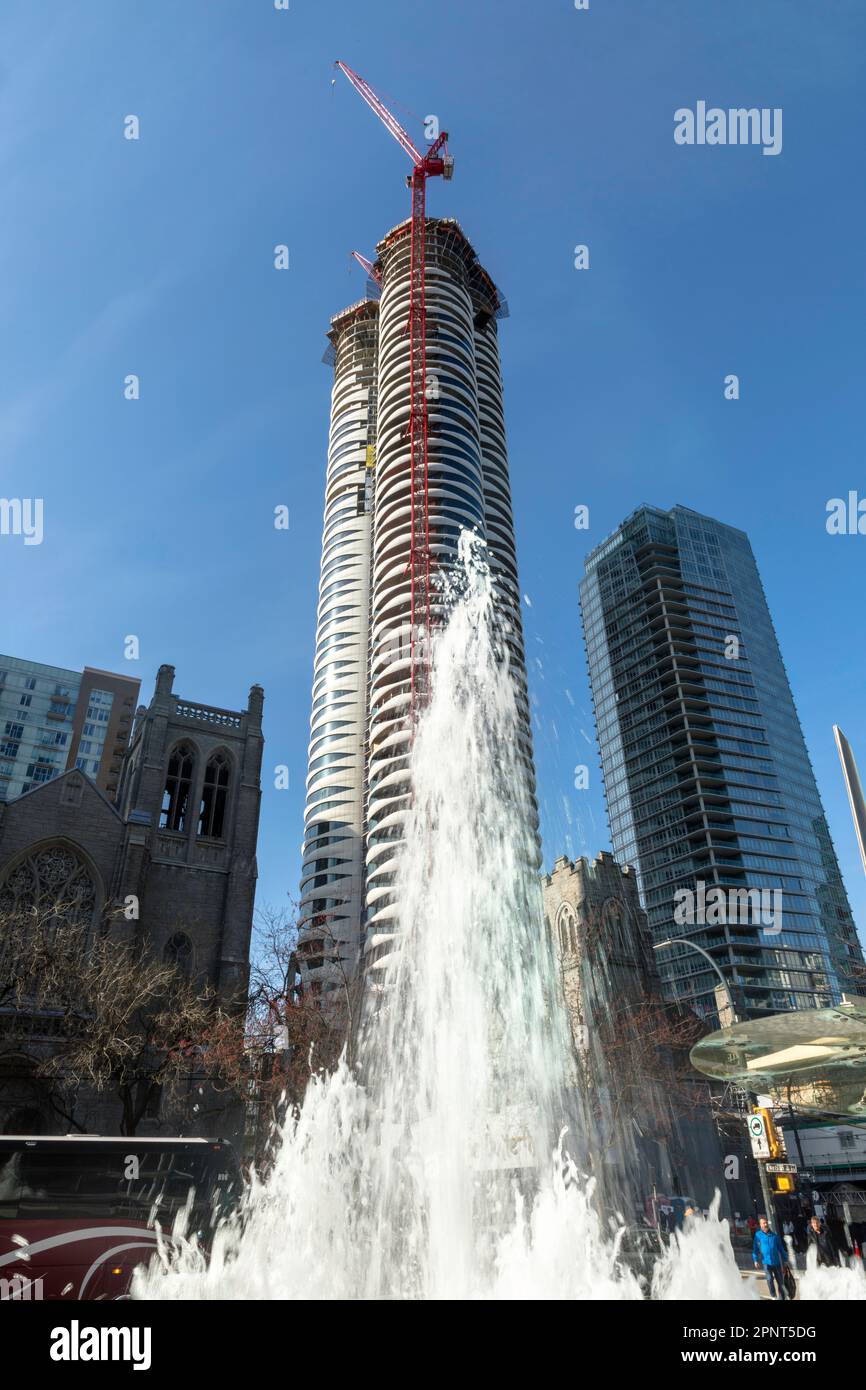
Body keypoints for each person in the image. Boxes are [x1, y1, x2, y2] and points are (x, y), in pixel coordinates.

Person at [753, 1216, 790, 1300]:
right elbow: (755, 1249)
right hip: (766, 1263)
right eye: (763, 1223)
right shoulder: (758, 1235)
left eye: (766, 1223)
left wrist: (785, 1260)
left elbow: (781, 1249)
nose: (765, 1224)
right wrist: (755, 1260)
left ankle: (782, 1298)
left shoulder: (774, 1236)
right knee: (769, 1279)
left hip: (776, 1262)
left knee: (780, 1282)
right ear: (760, 1225)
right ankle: (773, 1295)